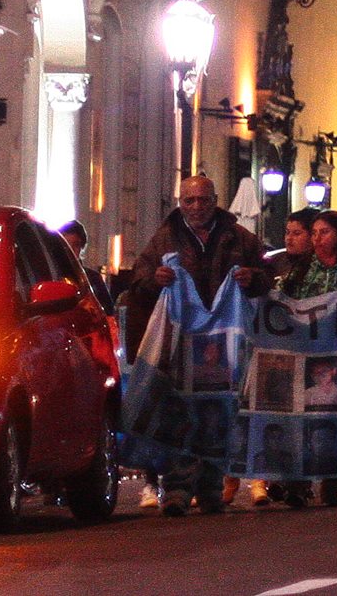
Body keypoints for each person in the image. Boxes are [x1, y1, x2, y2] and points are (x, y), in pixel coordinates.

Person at [130, 175, 267, 516]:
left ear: (215, 200)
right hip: (183, 343)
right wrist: (154, 280)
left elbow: (267, 276)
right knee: (181, 414)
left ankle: (210, 488)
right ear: (180, 202)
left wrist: (252, 279)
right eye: (189, 201)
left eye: (203, 200)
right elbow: (138, 280)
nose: (196, 207)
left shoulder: (239, 237)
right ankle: (176, 490)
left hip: (226, 344)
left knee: (219, 415)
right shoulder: (164, 238)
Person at [272, 209, 337, 509]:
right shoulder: (302, 270)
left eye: (324, 232)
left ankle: (332, 482)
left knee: (335, 422)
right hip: (306, 353)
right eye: (313, 233)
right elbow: (280, 298)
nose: (317, 239)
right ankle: (296, 483)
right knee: (301, 419)